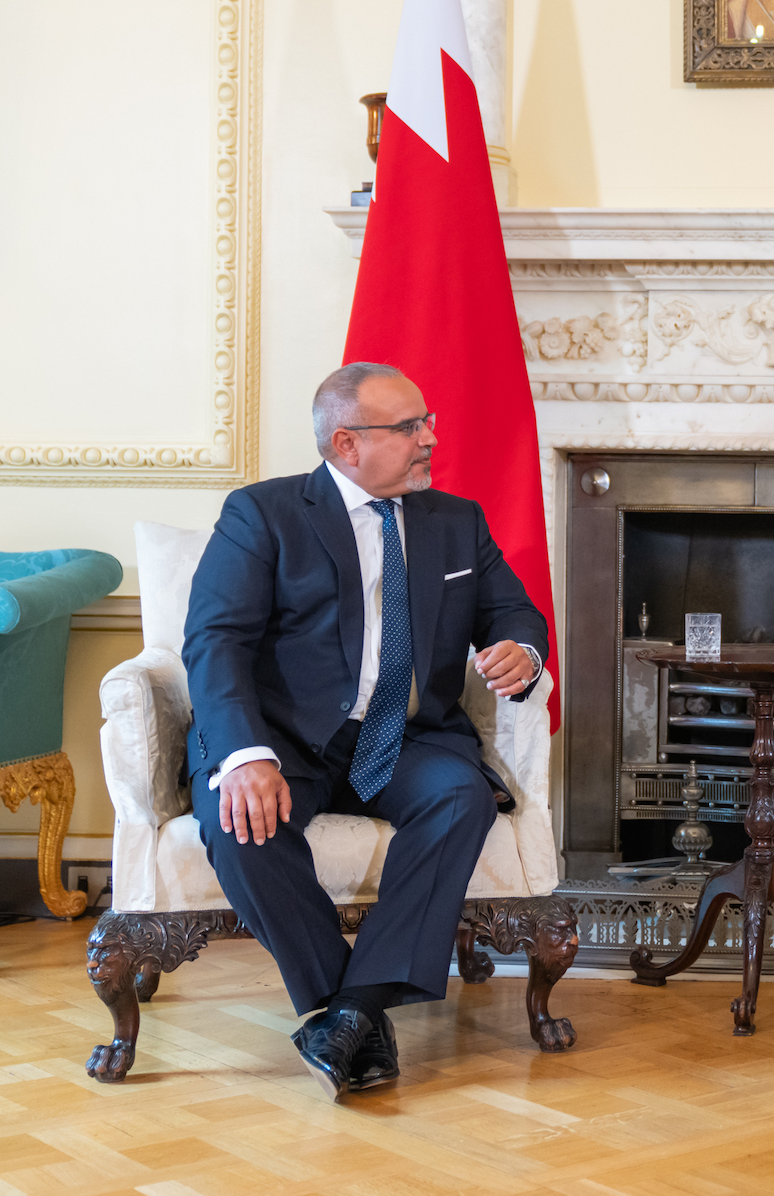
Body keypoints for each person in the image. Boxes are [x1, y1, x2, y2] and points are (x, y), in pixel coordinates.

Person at [183, 362, 548, 1100]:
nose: (430, 439)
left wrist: (523, 648)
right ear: (346, 443)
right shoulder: (263, 514)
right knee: (238, 822)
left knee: (461, 798)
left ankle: (350, 1011)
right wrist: (245, 754)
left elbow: (512, 611)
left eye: (428, 422)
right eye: (409, 427)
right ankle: (351, 1007)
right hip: (286, 739)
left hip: (408, 736)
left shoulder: (456, 520)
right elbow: (215, 640)